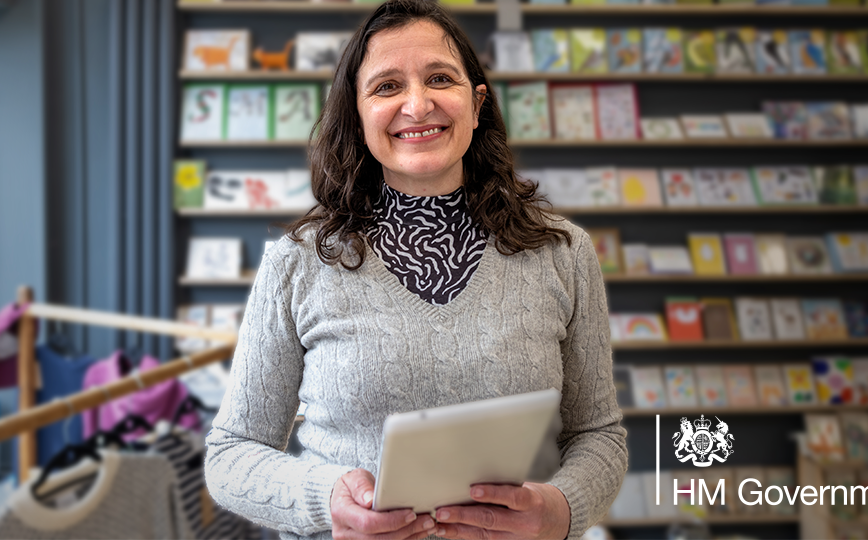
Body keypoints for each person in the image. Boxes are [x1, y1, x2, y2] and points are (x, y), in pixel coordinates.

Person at [204, 1, 627, 539]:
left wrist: (562, 509)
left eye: (440, 78)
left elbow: (599, 434)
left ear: (476, 105)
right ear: (357, 116)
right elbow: (231, 454)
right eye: (386, 87)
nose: (418, 104)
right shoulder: (298, 261)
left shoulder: (563, 252)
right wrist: (325, 499)